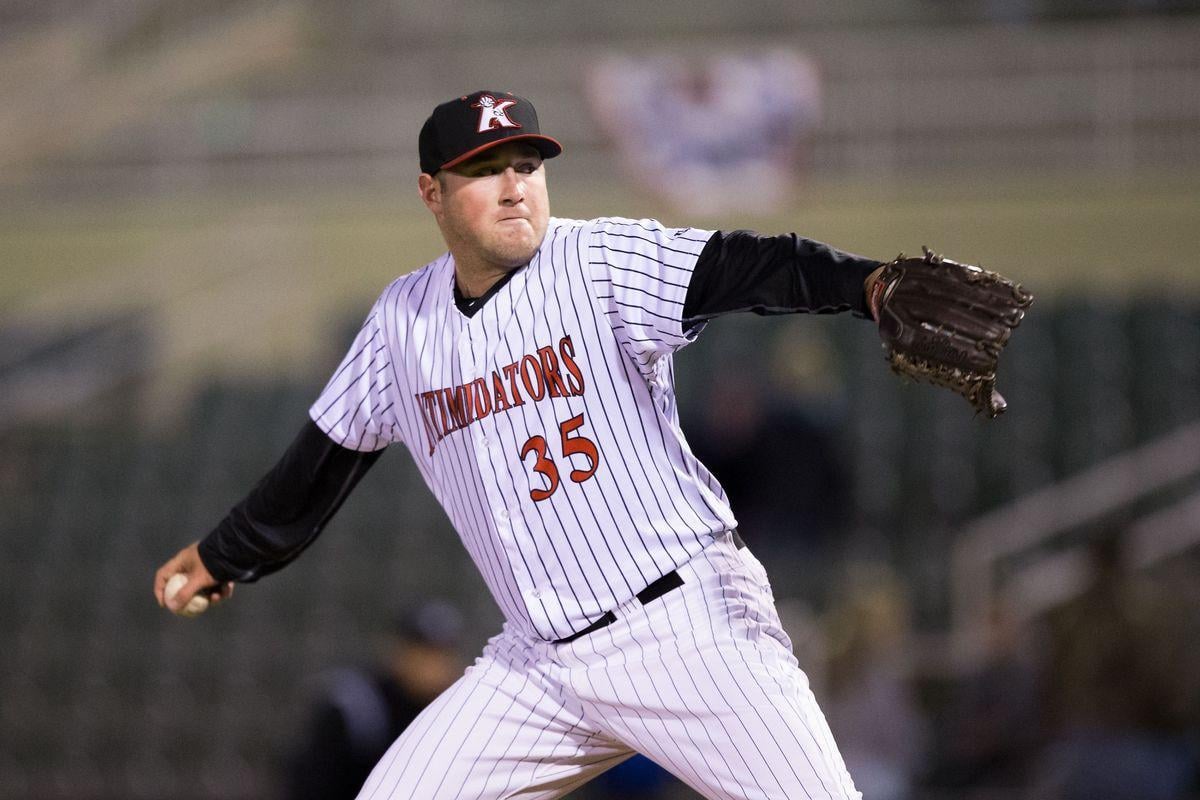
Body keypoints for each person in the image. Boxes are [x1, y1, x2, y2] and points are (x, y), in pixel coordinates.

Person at [154, 89, 891, 799]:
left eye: (528, 166)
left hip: (683, 625)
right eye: (484, 169)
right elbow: (320, 462)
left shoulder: (597, 261)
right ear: (431, 192)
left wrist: (870, 286)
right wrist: (225, 554)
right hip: (537, 663)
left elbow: (750, 265)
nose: (515, 188)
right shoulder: (401, 322)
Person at [284, 601, 466, 800]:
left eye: (441, 653)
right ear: (398, 650)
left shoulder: (456, 712)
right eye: (423, 651)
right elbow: (312, 785)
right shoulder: (356, 704)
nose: (433, 665)